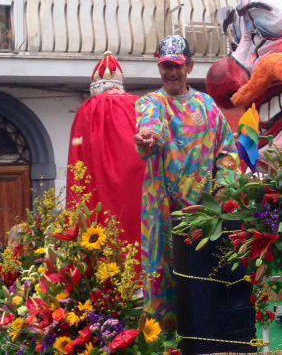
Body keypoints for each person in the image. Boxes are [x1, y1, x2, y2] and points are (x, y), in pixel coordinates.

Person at [135, 34, 240, 326]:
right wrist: (147, 139)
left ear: (189, 66)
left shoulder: (207, 106)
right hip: (162, 209)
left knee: (204, 273)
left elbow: (227, 151)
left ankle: (205, 330)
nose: (170, 72)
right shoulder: (151, 103)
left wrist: (223, 191)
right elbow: (149, 130)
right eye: (165, 65)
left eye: (176, 65)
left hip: (204, 212)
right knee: (162, 270)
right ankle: (165, 336)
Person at [66, 51, 144, 250]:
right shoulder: (138, 105)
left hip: (96, 190)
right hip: (137, 190)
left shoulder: (86, 111)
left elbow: (78, 163)